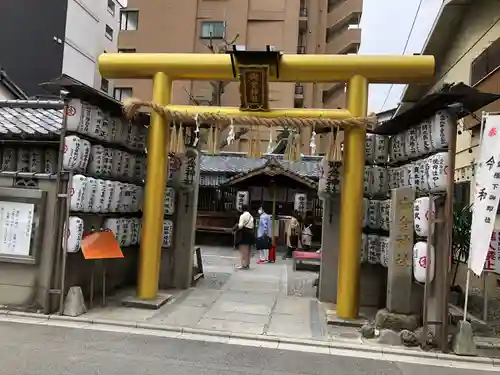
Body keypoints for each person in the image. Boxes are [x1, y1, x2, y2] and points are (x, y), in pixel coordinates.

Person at [233, 204, 255, 269]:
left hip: (244, 234)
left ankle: (243, 265)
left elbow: (241, 226)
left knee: (243, 250)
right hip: (250, 234)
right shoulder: (251, 216)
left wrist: (235, 228)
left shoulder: (242, 216)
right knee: (248, 250)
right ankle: (247, 264)